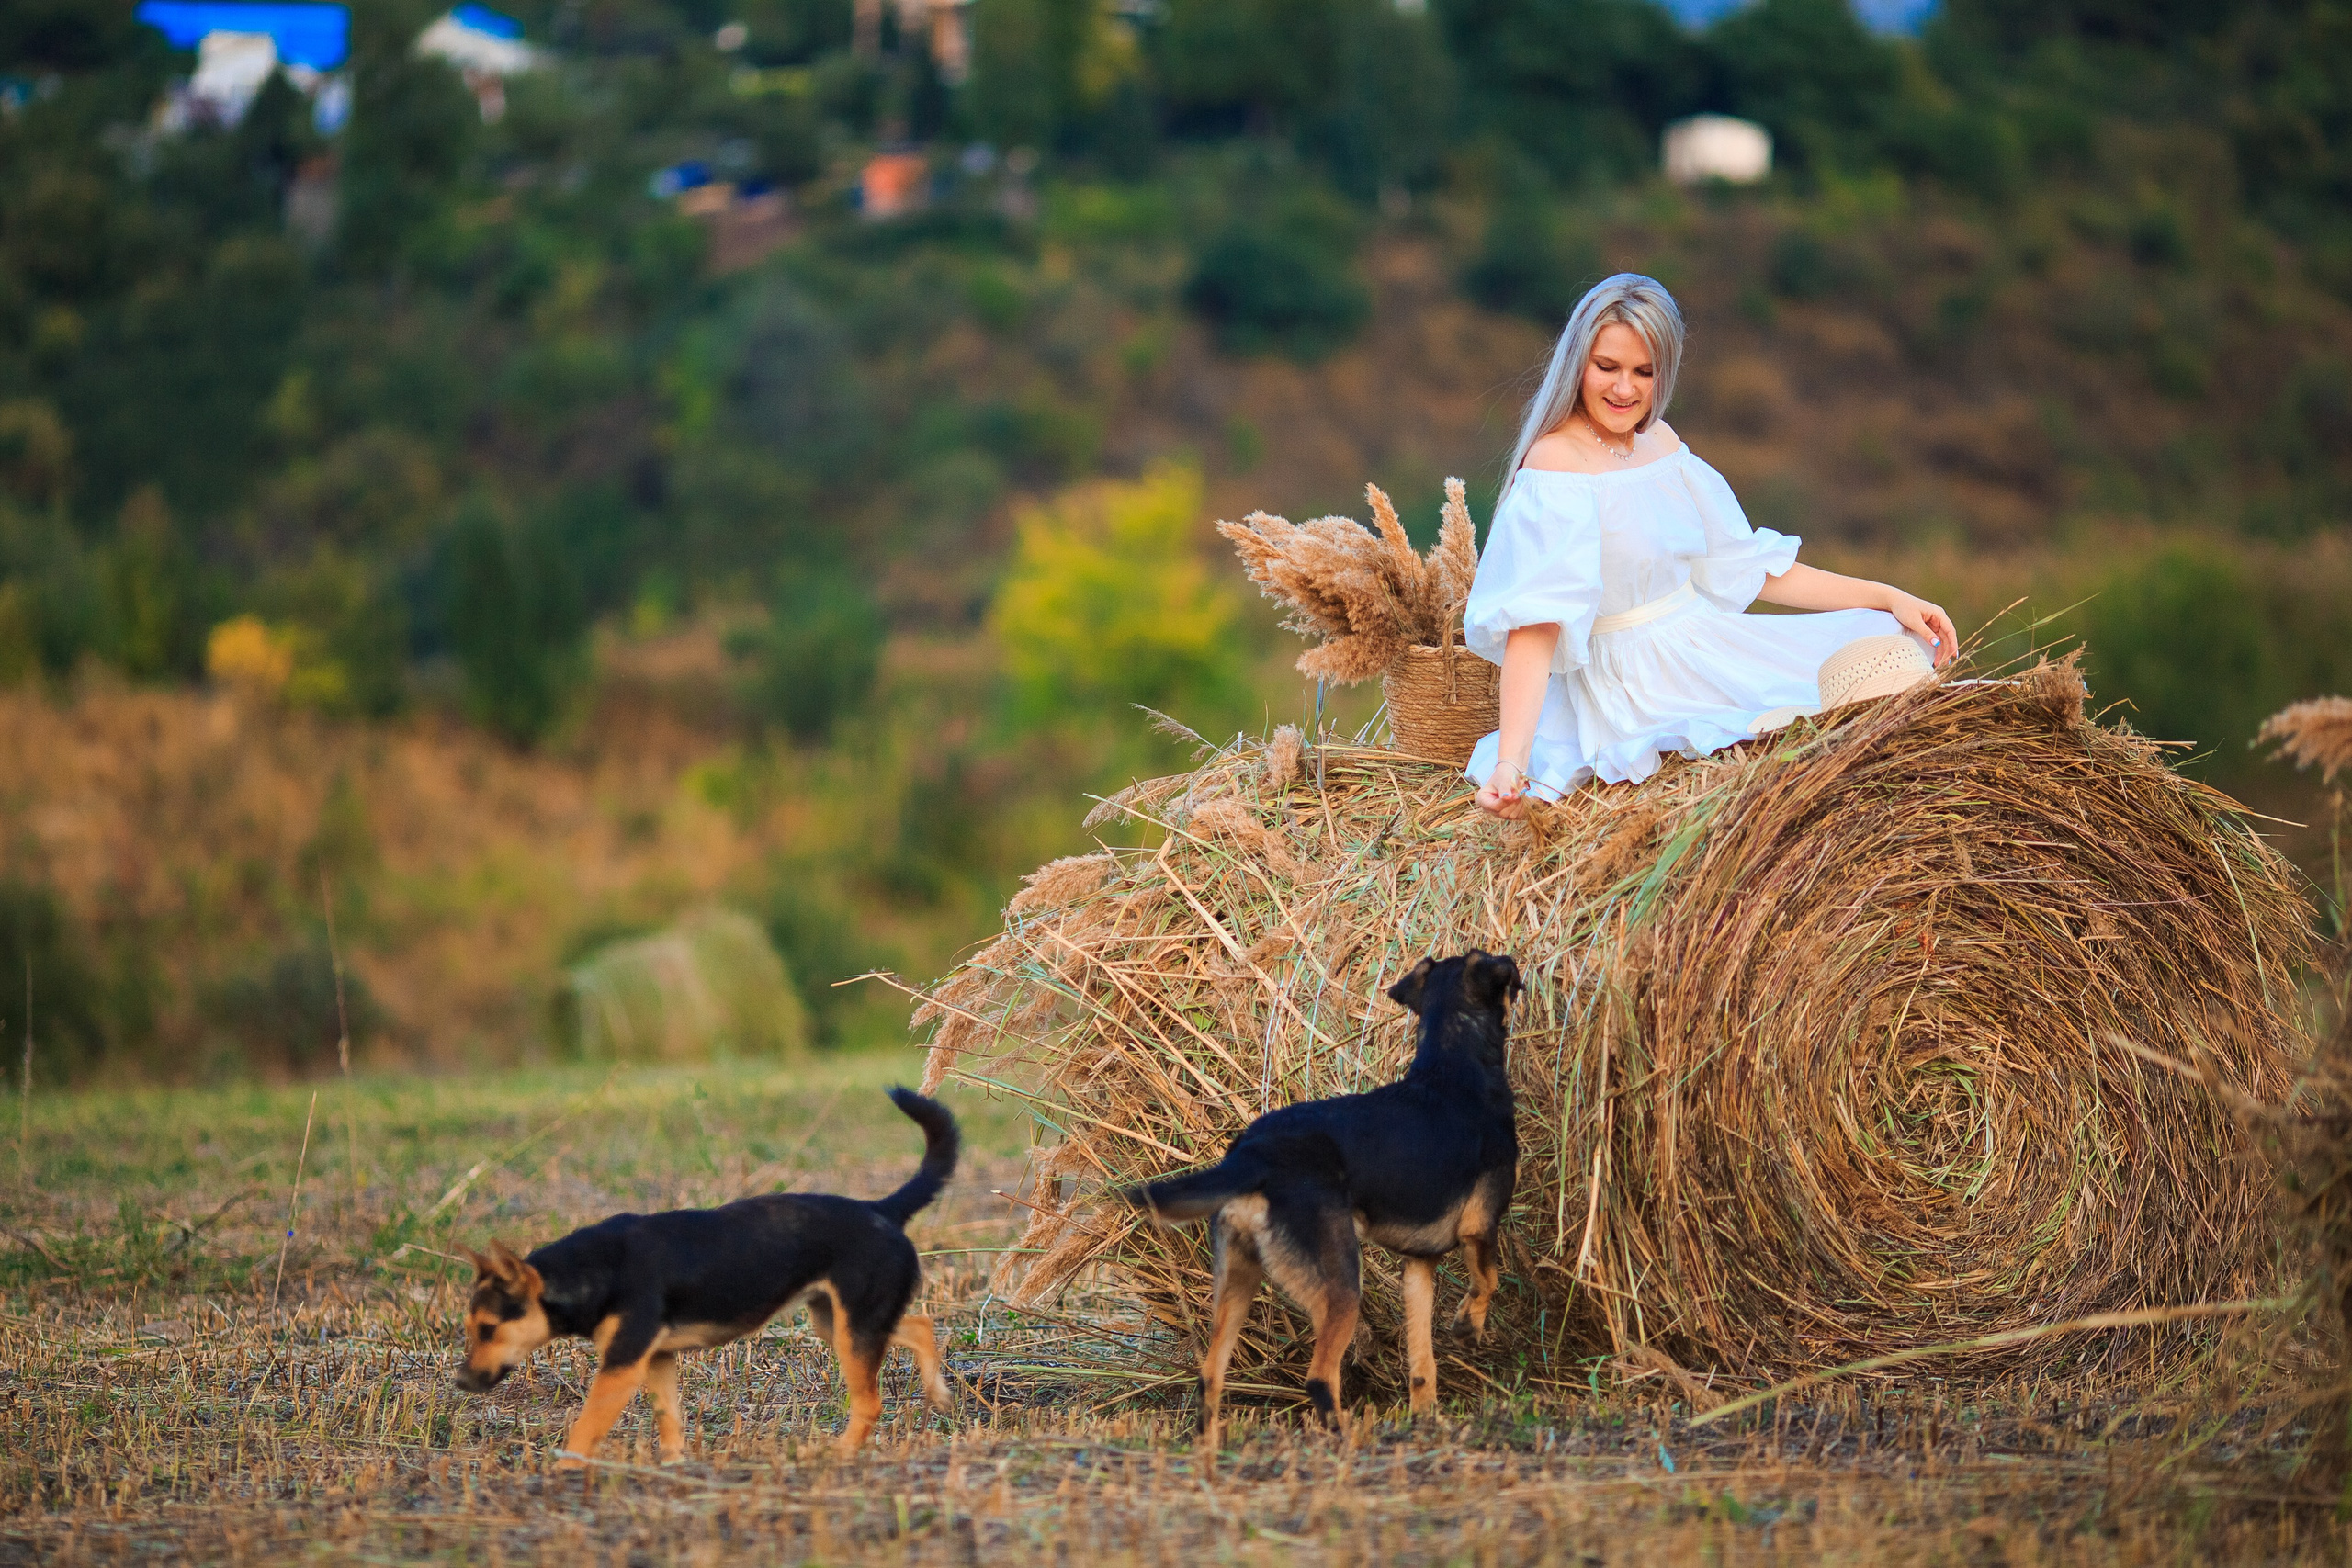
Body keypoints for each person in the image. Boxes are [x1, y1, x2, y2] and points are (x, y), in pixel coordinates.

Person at [1465, 274, 1957, 820]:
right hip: (1632, 683)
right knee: (1762, 738)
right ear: (1577, 362)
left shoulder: (1664, 444)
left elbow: (1750, 568)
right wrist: (1511, 762)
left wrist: (1886, 596)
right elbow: (1536, 627)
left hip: (1707, 644)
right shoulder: (1556, 464)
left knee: (1882, 645)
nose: (1625, 389)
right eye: (1607, 367)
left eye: (1643, 372)